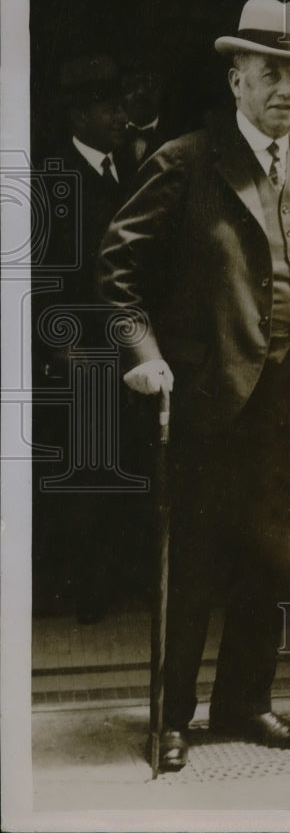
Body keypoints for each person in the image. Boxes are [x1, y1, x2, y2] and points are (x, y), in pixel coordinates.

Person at [98, 0, 290, 772]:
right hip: (208, 401)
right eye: (269, 73)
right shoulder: (185, 159)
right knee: (194, 563)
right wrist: (143, 353)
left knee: (273, 559)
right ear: (236, 77)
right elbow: (116, 273)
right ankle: (171, 717)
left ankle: (247, 703)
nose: (285, 91)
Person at [33, 54, 133, 624]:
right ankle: (82, 591)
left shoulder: (123, 170)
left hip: (119, 342)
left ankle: (110, 580)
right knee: (83, 467)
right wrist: (57, 343)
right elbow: (39, 271)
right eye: (108, 106)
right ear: (78, 113)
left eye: (120, 105)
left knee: (114, 459)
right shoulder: (54, 175)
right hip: (77, 347)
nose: (120, 116)